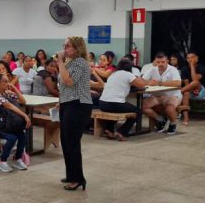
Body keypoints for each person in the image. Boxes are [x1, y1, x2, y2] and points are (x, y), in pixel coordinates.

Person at [56, 36, 92, 191]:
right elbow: (65, 86)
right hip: (68, 103)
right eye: (64, 46)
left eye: (68, 46)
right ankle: (71, 174)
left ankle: (78, 179)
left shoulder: (80, 63)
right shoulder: (69, 62)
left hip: (79, 105)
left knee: (72, 142)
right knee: (65, 140)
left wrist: (59, 63)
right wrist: (61, 100)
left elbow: (69, 81)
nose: (64, 49)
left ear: (77, 48)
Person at [0, 73, 30, 172]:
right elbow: (8, 105)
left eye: (8, 81)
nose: (8, 83)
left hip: (4, 121)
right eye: (5, 81)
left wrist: (15, 89)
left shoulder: (6, 92)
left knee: (22, 136)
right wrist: (24, 116)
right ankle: (2, 162)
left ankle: (17, 159)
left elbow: (23, 101)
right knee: (12, 138)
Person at [98, 58, 147, 140]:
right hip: (115, 104)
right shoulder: (128, 74)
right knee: (138, 111)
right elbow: (141, 86)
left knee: (114, 110)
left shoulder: (113, 74)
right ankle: (121, 132)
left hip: (102, 103)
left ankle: (109, 129)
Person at [142, 52, 182, 134]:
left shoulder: (173, 70)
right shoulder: (152, 70)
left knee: (169, 108)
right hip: (158, 96)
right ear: (155, 62)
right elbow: (142, 80)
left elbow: (178, 83)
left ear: (167, 61)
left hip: (172, 95)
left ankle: (173, 123)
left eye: (163, 62)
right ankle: (160, 120)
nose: (160, 64)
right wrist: (149, 82)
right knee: (142, 106)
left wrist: (160, 83)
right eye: (158, 62)